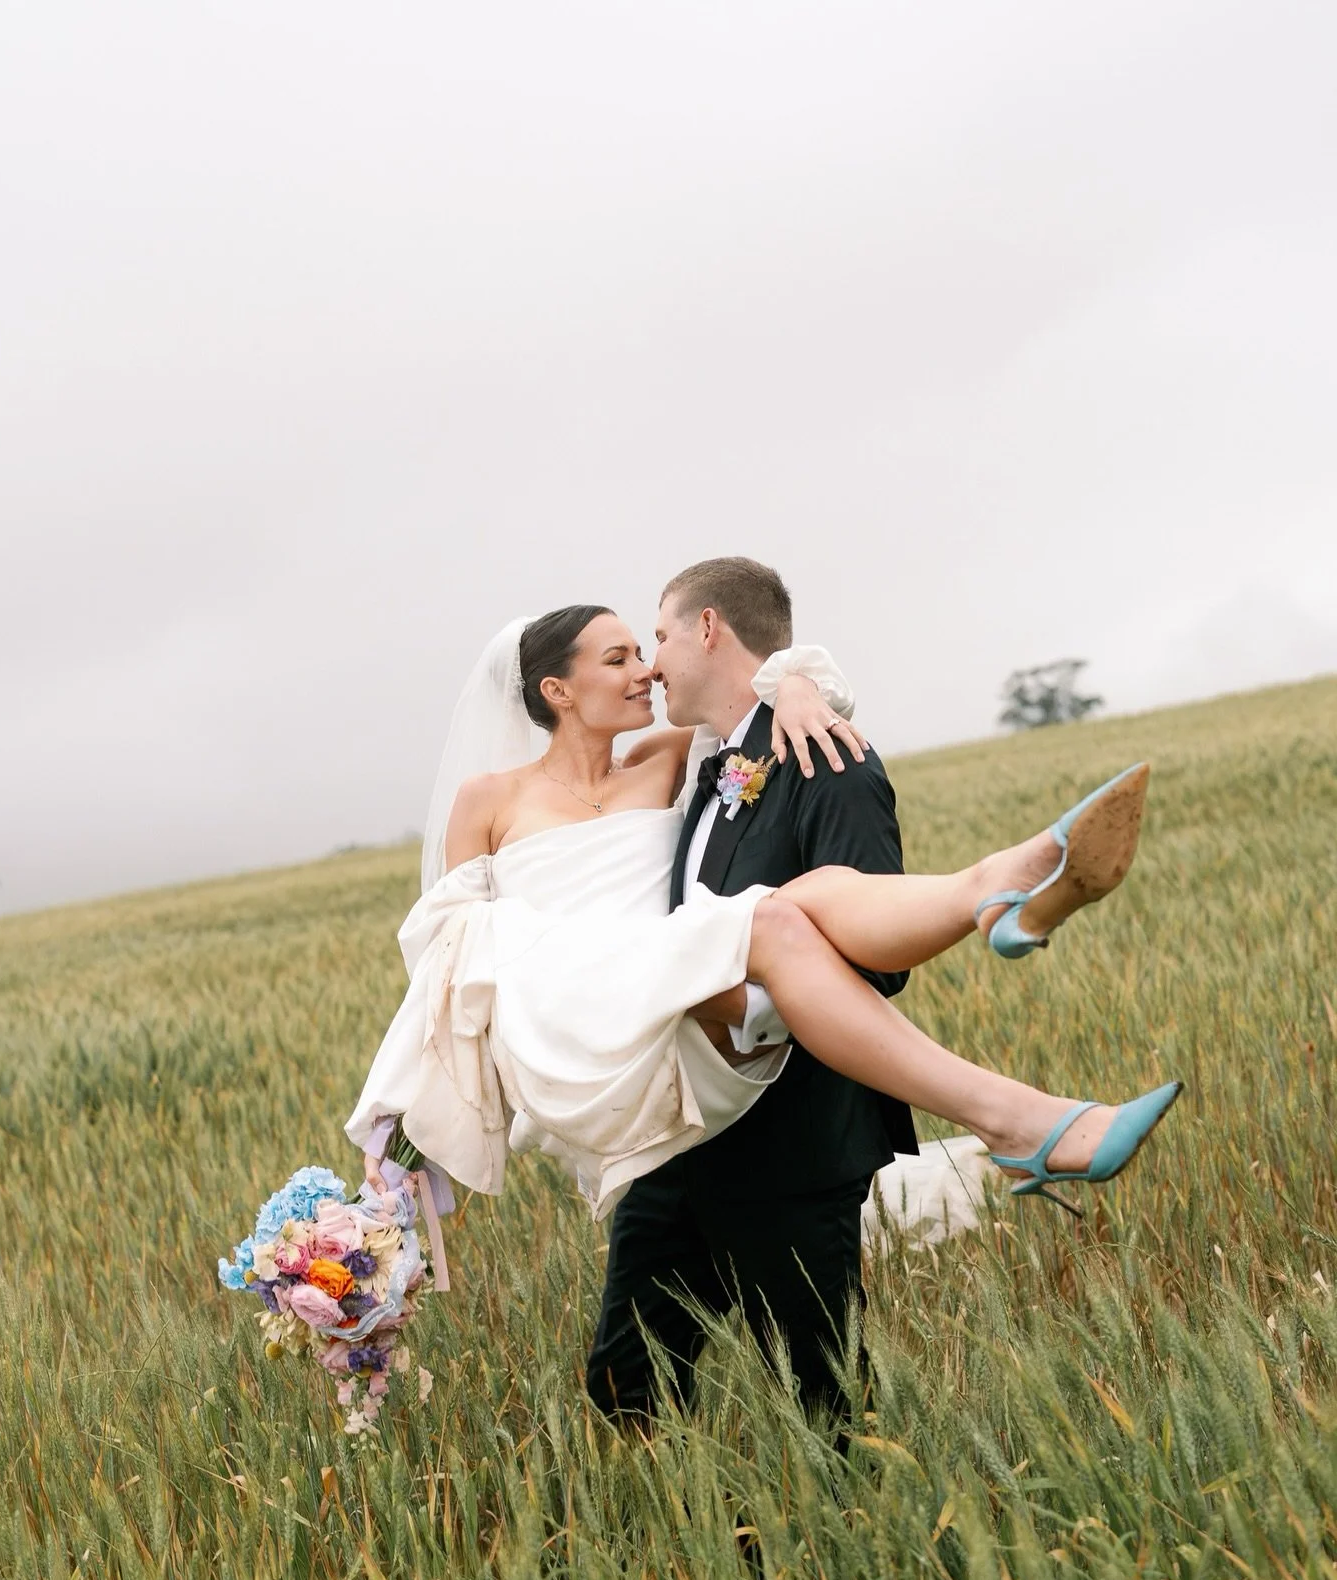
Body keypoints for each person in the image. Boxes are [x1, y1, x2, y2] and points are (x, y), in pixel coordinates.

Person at [346, 563, 1180, 1415]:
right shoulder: (488, 797)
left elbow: (749, 698)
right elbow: (447, 954)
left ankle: (1002, 893)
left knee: (789, 911)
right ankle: (1015, 1075)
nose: (646, 669)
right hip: (570, 1010)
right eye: (619, 657)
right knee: (774, 921)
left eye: (649, 645)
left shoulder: (671, 762)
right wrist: (403, 1139)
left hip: (691, 1028)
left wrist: (798, 688)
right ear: (557, 689)